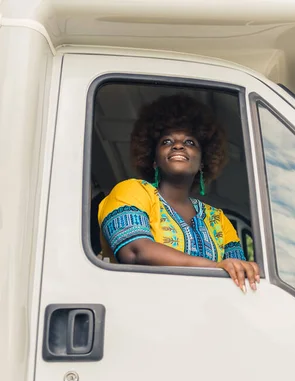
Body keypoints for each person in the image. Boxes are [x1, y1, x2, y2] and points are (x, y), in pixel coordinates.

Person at [98, 93, 259, 292]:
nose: (178, 145)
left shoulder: (219, 219)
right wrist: (214, 266)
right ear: (154, 159)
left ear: (203, 162)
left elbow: (238, 274)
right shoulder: (132, 191)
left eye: (190, 142)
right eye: (166, 142)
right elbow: (134, 251)